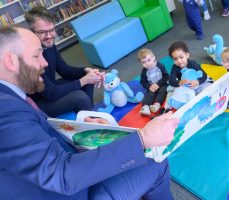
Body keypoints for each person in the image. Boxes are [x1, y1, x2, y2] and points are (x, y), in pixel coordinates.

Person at [0, 26, 180, 200]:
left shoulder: (9, 96)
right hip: (73, 191)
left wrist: (82, 130)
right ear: (11, 61)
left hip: (59, 177)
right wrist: (144, 138)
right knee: (156, 165)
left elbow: (36, 134)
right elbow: (62, 175)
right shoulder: (6, 110)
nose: (44, 62)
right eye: (36, 55)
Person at [24, 6, 104, 117]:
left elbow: (64, 70)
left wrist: (87, 71)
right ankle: (89, 120)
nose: (49, 36)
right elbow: (51, 93)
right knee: (80, 96)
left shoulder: (49, 45)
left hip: (50, 88)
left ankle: (88, 115)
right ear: (32, 33)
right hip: (42, 102)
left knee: (88, 78)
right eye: (42, 32)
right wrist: (84, 80)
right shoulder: (29, 56)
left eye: (51, 30)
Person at [138, 48, 169, 116]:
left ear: (153, 58)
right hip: (152, 86)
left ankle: (157, 104)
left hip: (162, 84)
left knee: (162, 91)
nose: (147, 63)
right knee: (150, 94)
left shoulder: (160, 66)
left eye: (148, 60)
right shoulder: (144, 71)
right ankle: (145, 107)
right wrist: (149, 86)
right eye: (144, 62)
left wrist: (158, 84)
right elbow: (143, 82)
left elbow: (166, 76)